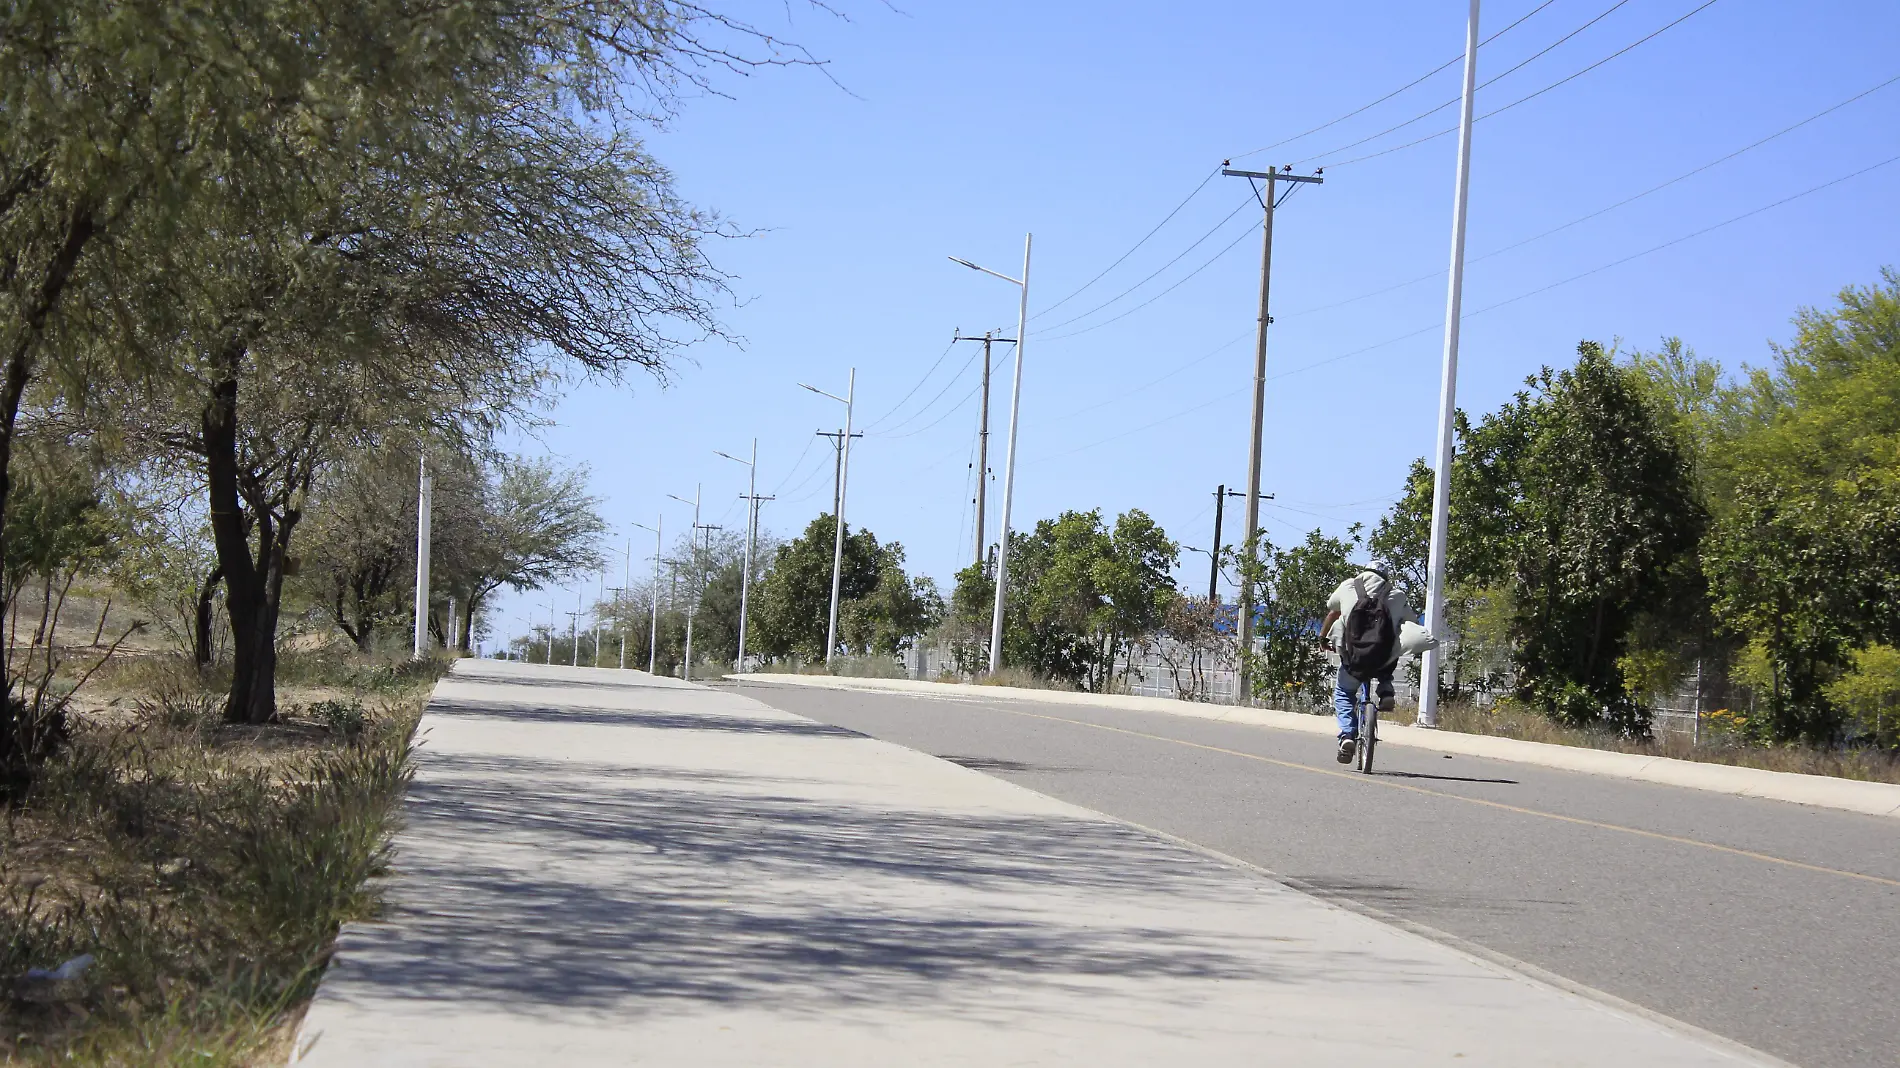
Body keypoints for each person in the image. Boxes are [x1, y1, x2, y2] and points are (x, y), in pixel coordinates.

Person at [1319, 566, 1411, 764]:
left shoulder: (1348, 586)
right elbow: (1411, 623)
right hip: (1382, 660)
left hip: (1354, 659)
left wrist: (1322, 638)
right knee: (1392, 645)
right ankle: (1386, 690)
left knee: (1344, 693)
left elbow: (1332, 610)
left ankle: (1347, 735)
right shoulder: (1397, 595)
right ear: (1385, 578)